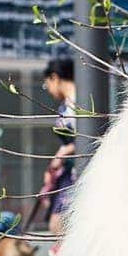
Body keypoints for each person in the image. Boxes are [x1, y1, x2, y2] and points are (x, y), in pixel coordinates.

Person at [35, 56, 81, 240]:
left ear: (55, 78)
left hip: (78, 171)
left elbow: (94, 135)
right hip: (67, 171)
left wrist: (65, 152)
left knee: (61, 221)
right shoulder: (66, 105)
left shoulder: (80, 101)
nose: (49, 90)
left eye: (47, 84)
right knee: (57, 221)